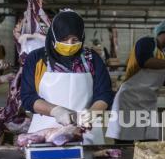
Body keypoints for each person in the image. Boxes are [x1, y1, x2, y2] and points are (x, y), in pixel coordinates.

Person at [21, 9, 114, 145]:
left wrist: (92, 112)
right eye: (64, 39)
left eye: (75, 39)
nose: (70, 44)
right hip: (44, 132)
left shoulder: (91, 58)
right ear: (54, 36)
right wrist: (56, 111)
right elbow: (28, 97)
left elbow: (104, 93)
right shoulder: (36, 58)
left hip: (85, 132)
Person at [106, 18, 165, 144]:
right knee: (124, 143)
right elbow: (145, 61)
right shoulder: (147, 42)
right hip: (129, 100)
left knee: (150, 143)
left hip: (148, 102)